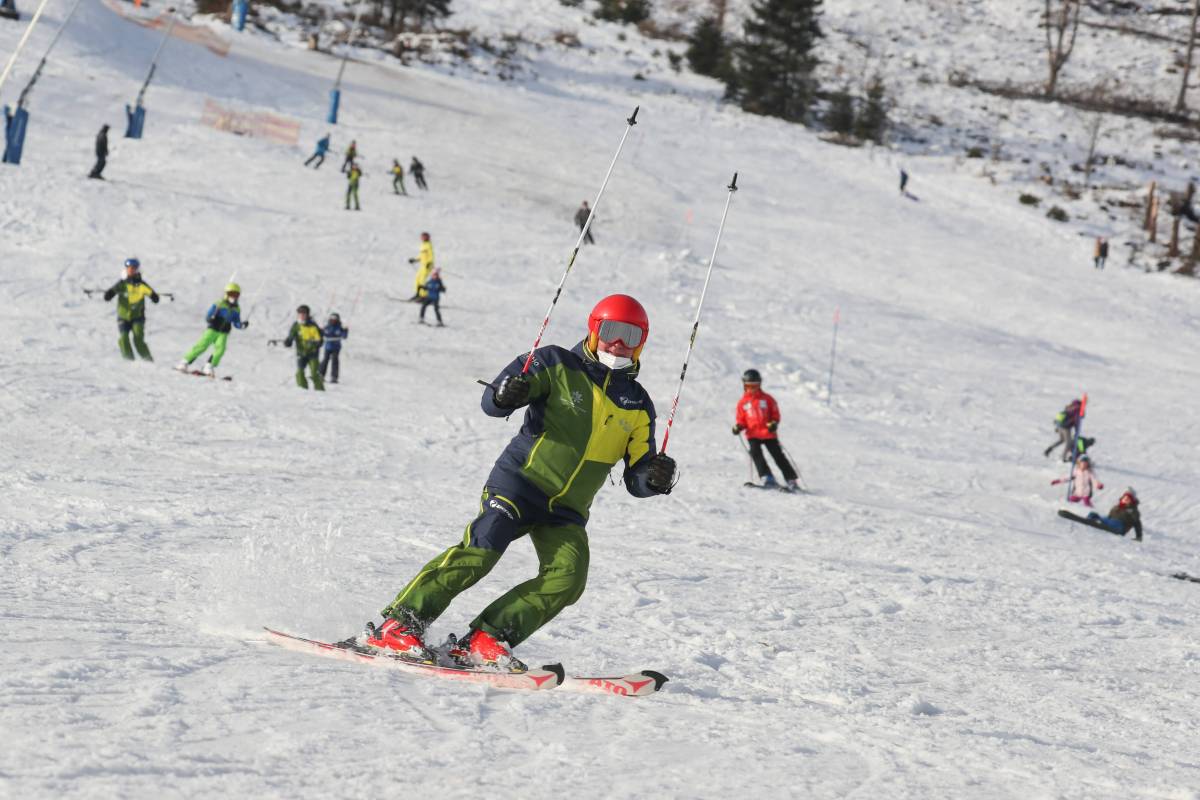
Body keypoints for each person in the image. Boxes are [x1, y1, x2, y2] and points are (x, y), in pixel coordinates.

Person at [361, 294, 677, 670]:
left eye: (630, 334)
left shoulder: (638, 404)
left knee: (568, 579)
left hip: (566, 510)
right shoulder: (556, 362)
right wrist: (507, 393)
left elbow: (637, 475)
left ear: (642, 340)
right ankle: (400, 623)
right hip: (520, 483)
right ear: (594, 329)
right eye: (610, 331)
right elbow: (494, 402)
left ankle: (487, 638)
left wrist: (654, 478)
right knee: (481, 551)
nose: (618, 342)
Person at [732, 369, 801, 491]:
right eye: (748, 386)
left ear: (760, 385)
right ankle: (767, 476)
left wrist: (773, 423)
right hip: (752, 434)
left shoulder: (767, 399)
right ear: (744, 385)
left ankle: (791, 479)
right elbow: (741, 419)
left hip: (768, 433)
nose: (751, 389)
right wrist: (739, 427)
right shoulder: (743, 403)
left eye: (755, 385)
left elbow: (775, 414)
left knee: (778, 455)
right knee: (755, 453)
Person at [176, 283, 247, 377]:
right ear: (226, 294)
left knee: (221, 349)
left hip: (224, 332)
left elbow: (236, 322)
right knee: (202, 345)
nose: (233, 297)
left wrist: (241, 325)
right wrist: (210, 318)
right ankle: (185, 362)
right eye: (231, 294)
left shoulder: (236, 309)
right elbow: (209, 315)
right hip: (213, 329)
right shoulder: (219, 304)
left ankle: (209, 366)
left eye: (236, 295)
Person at [103, 257, 160, 361]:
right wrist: (109, 294)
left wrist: (154, 297)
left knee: (138, 339)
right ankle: (128, 360)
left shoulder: (141, 284)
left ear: (137, 269)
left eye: (133, 268)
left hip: (137, 317)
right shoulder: (122, 284)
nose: (131, 270)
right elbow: (111, 292)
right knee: (123, 338)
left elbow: (151, 293)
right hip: (123, 317)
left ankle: (147, 359)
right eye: (129, 268)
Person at [283, 305, 325, 391]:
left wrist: (318, 342)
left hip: (313, 354)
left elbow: (319, 339)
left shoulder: (313, 325)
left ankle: (320, 390)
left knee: (314, 373)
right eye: (300, 314)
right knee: (300, 372)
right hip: (301, 353)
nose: (301, 316)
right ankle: (303, 390)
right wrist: (288, 341)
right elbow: (291, 336)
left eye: (303, 314)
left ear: (307, 315)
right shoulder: (296, 325)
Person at [320, 312, 348, 384]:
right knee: (325, 360)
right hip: (328, 346)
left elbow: (344, 336)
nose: (333, 320)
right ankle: (320, 375)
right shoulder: (327, 327)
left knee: (335, 360)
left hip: (336, 347)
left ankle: (334, 377)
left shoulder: (339, 328)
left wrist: (345, 331)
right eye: (332, 318)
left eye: (335, 319)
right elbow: (322, 334)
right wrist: (320, 330)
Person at [407, 232, 434, 301]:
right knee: (417, 278)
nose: (422, 238)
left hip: (427, 265)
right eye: (422, 237)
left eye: (424, 237)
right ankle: (418, 294)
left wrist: (429, 263)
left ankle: (424, 296)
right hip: (423, 265)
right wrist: (415, 260)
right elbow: (421, 256)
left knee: (422, 280)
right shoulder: (423, 245)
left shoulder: (429, 245)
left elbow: (431, 255)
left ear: (428, 237)